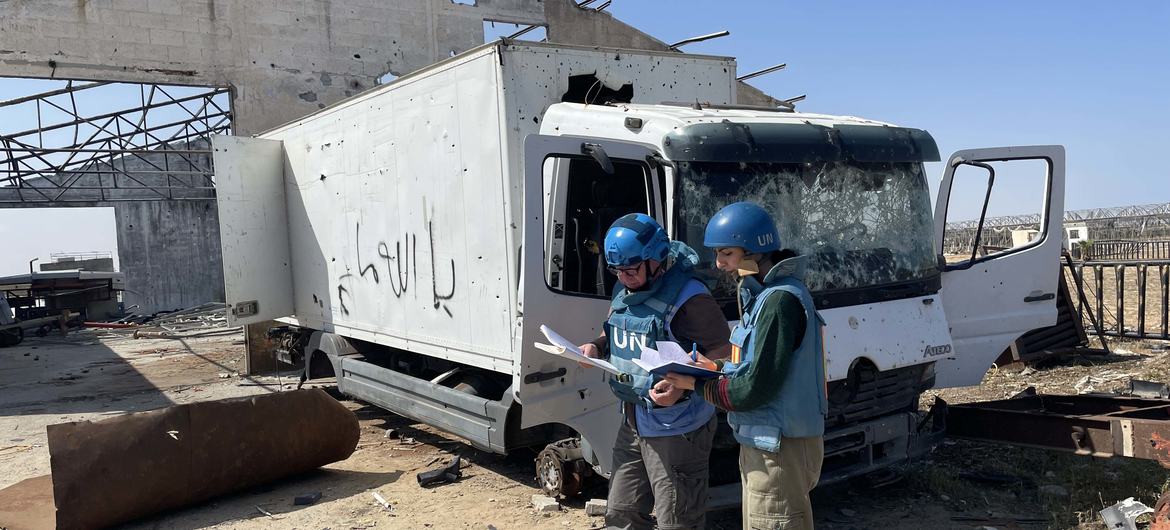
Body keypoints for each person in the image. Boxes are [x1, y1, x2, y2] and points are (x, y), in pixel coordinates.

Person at [664, 202, 827, 530]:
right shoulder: (769, 296)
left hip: (778, 448)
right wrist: (716, 366)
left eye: (727, 253)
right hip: (769, 441)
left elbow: (753, 389)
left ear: (755, 250)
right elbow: (755, 366)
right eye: (717, 254)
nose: (719, 264)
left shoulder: (779, 302)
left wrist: (694, 383)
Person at [578, 213, 731, 530]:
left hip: (679, 427)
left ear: (656, 258)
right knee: (621, 514)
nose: (624, 277)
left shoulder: (690, 298)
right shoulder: (625, 288)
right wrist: (596, 346)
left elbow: (725, 352)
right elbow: (615, 329)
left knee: (678, 520)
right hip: (633, 419)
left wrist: (683, 384)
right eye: (617, 270)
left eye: (631, 269)